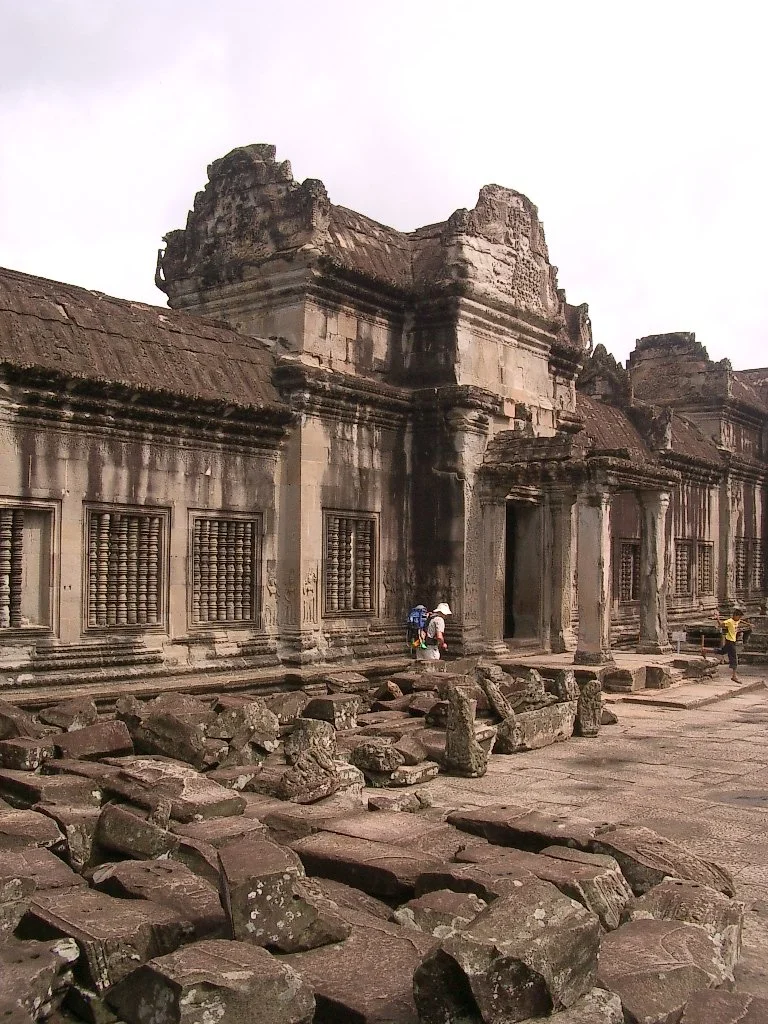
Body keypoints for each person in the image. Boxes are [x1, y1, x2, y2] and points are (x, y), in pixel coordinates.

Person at [713, 607, 744, 683]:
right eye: (738, 617)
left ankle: (705, 650)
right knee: (734, 658)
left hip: (732, 641)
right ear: (735, 615)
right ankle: (734, 676)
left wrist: (749, 624)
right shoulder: (729, 621)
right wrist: (717, 618)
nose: (739, 618)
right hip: (730, 641)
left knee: (722, 651)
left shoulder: (737, 620)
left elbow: (741, 621)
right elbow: (721, 624)